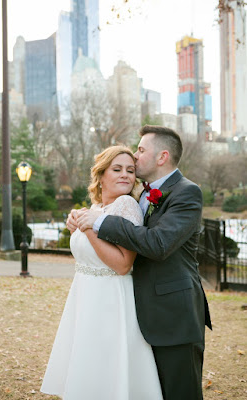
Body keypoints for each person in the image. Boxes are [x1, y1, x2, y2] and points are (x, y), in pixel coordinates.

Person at [69, 125, 212, 400]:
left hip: (174, 316)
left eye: (141, 150)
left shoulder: (186, 193)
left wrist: (98, 222)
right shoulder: (141, 195)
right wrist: (84, 218)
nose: (135, 157)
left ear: (162, 157)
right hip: (138, 313)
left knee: (180, 393)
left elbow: (159, 244)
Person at [41, 145, 163, 400]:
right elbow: (88, 250)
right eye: (116, 169)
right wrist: (78, 222)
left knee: (109, 364)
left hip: (111, 299)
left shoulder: (127, 205)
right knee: (88, 361)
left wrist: (88, 228)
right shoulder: (96, 207)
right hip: (85, 296)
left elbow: (122, 265)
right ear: (101, 174)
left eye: (130, 171)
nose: (125, 175)